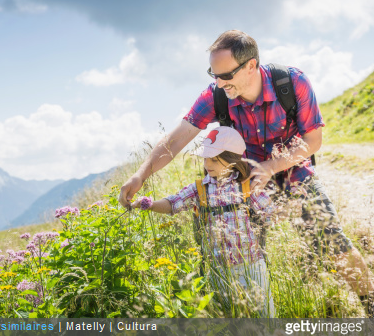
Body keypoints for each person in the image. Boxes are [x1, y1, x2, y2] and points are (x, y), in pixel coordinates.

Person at [119, 29, 374, 316]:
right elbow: (176, 139)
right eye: (213, 75)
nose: (218, 82)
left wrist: (271, 166)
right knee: (242, 258)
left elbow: (313, 141)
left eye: (226, 75)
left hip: (294, 174)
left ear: (250, 65)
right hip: (245, 187)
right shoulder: (215, 96)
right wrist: (140, 175)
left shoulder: (292, 83)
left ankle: (370, 305)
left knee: (333, 244)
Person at [131, 126, 276, 317]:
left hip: (252, 268)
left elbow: (271, 214)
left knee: (265, 319)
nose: (207, 163)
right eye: (205, 158)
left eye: (214, 159)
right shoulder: (200, 189)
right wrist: (149, 204)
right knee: (230, 322)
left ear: (232, 160)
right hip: (218, 271)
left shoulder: (248, 186)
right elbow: (173, 203)